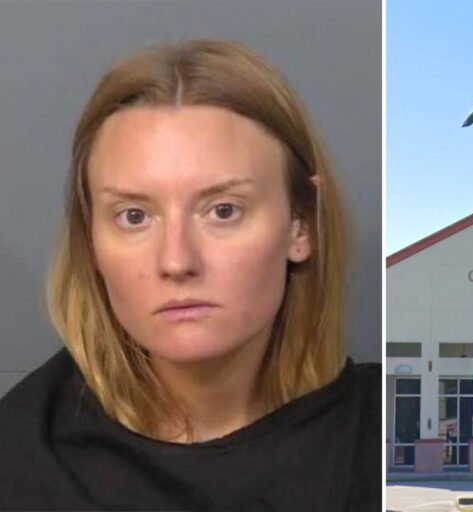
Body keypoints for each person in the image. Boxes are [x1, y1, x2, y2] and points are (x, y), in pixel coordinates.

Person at [0, 39, 380, 511]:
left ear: (301, 224)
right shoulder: (20, 459)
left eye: (223, 210)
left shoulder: (381, 447)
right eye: (134, 216)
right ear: (91, 241)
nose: (177, 261)